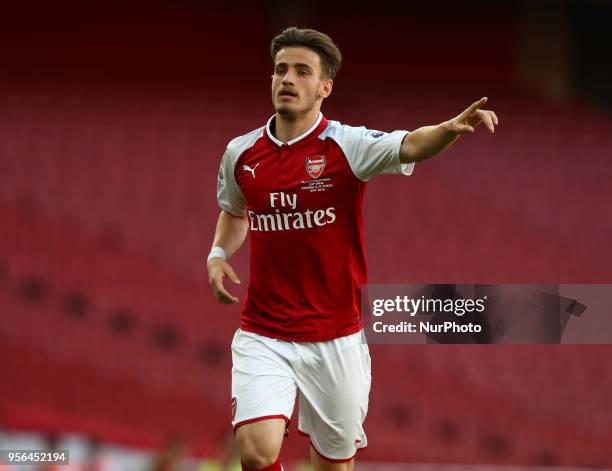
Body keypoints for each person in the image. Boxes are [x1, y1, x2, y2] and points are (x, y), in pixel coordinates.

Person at [207, 27, 498, 471]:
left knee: (334, 467)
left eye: (302, 72)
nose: (288, 79)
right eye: (281, 69)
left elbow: (410, 144)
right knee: (256, 452)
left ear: (325, 87)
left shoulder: (348, 144)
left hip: (336, 338)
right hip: (263, 333)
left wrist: (449, 129)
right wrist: (218, 255)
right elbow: (235, 211)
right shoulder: (241, 153)